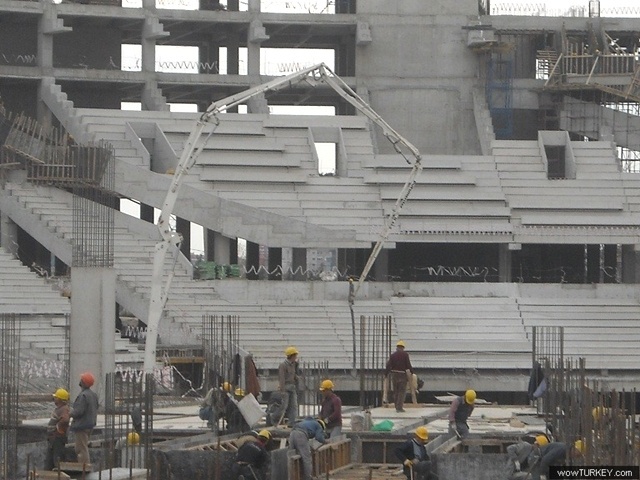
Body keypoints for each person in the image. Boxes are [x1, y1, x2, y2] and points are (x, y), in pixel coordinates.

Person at [70, 372, 99, 465]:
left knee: (81, 449)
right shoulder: (93, 395)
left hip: (81, 426)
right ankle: (85, 466)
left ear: (83, 382)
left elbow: (78, 411)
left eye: (81, 379)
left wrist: (69, 413)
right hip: (89, 425)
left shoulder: (83, 396)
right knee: (84, 446)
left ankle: (84, 468)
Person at [385, 340, 414, 413]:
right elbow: (408, 365)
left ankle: (396, 406)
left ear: (397, 347)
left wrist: (386, 373)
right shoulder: (405, 355)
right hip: (402, 375)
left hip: (394, 375)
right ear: (403, 347)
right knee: (401, 391)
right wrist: (412, 372)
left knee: (396, 391)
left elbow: (388, 365)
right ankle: (399, 407)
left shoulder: (393, 355)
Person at [45, 388, 70, 470]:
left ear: (60, 399)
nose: (54, 399)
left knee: (57, 460)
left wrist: (58, 428)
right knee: (50, 461)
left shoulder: (64, 409)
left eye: (56, 397)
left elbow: (65, 419)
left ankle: (58, 475)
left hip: (58, 438)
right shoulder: (60, 409)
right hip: (53, 438)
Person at [279, 346, 301, 427]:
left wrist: (296, 377)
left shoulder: (293, 365)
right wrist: (283, 390)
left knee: (294, 406)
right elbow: (282, 378)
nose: (296, 357)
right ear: (291, 356)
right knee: (284, 406)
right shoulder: (283, 365)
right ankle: (277, 421)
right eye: (295, 355)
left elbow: (292, 374)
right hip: (286, 387)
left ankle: (292, 422)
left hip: (292, 387)